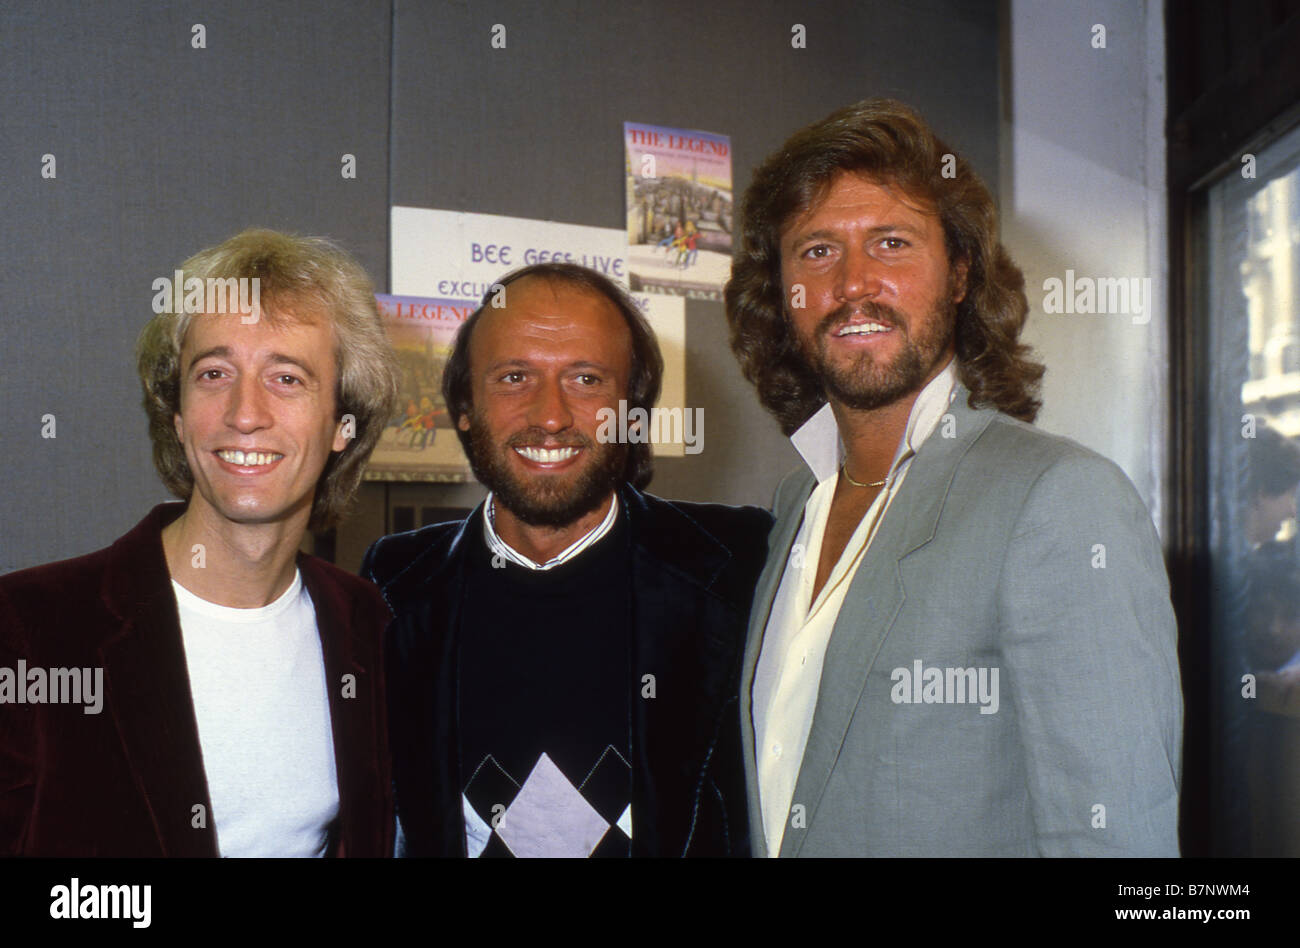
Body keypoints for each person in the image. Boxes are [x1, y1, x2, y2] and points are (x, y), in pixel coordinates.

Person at [724, 98, 1182, 857]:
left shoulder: (1061, 500)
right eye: (815, 252)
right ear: (780, 292)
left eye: (893, 243)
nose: (853, 284)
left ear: (962, 274)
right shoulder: (794, 508)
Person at [0, 229, 399, 857]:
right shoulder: (28, 627)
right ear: (178, 414)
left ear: (341, 425)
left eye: (288, 378)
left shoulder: (367, 626)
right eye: (214, 373)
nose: (245, 413)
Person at [363, 262, 771, 857]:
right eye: (513, 377)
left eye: (586, 379)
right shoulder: (391, 586)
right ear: (465, 407)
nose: (550, 416)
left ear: (633, 413)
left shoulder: (742, 564)